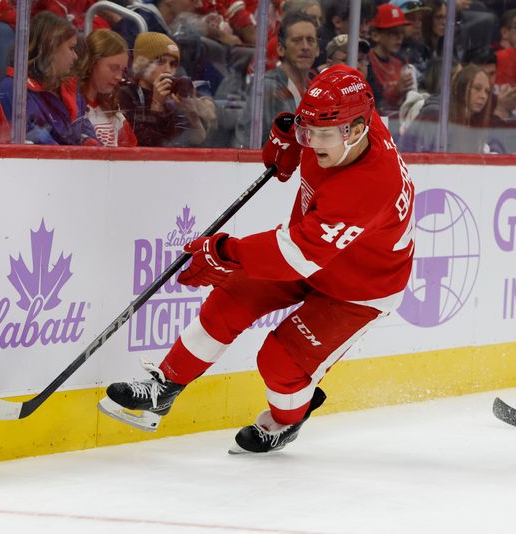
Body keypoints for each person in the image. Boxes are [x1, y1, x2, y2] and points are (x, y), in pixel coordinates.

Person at [99, 64, 415, 454]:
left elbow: (296, 255)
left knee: (279, 362)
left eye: (323, 135)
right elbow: (330, 90)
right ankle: (164, 388)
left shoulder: (370, 186)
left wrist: (226, 252)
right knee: (233, 297)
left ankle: (286, 421)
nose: (313, 142)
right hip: (312, 254)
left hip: (357, 290)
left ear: (356, 130)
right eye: (307, 131)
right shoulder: (342, 119)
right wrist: (288, 138)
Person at [0, 12, 98, 145]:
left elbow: (85, 132)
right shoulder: (13, 92)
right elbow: (40, 150)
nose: (75, 57)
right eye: (71, 48)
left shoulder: (68, 88)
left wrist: (89, 144)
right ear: (50, 47)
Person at [233, 11, 318, 147]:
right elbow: (245, 143)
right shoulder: (267, 87)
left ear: (318, 50)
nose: (305, 47)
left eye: (310, 40)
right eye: (297, 40)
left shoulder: (314, 89)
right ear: (280, 49)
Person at [118, 31, 214, 147]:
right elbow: (143, 146)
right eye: (160, 61)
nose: (167, 70)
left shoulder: (174, 98)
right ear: (142, 65)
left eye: (173, 64)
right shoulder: (125, 95)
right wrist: (156, 106)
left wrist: (193, 116)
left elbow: (196, 146)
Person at [399, 64, 493, 153]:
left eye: (487, 92)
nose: (483, 96)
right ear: (460, 88)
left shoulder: (473, 122)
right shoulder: (436, 115)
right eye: (477, 88)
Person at [79, 29, 137, 147]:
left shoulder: (113, 111)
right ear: (92, 62)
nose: (119, 77)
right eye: (113, 68)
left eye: (122, 70)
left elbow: (132, 155)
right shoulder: (71, 106)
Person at [368, 3, 415, 115]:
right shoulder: (367, 62)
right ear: (376, 36)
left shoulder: (401, 62)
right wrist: (396, 91)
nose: (399, 38)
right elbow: (374, 103)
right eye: (393, 33)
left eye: (401, 33)